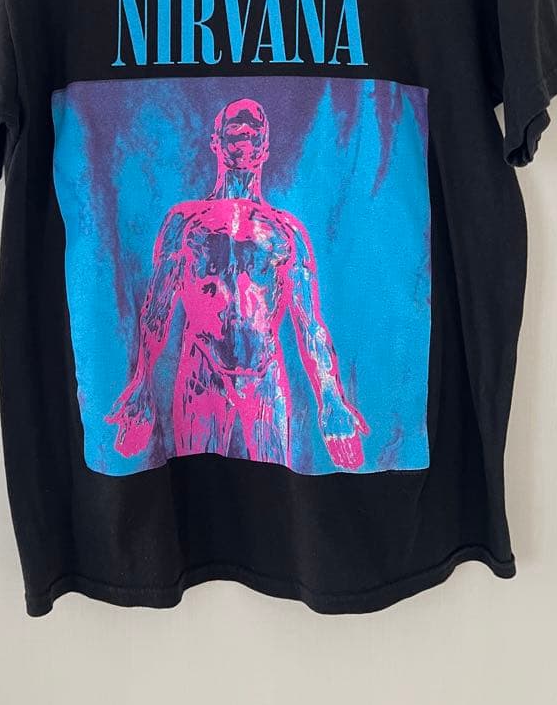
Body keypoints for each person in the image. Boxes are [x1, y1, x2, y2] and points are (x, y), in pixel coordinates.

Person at [106, 98, 368, 471]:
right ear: (217, 141)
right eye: (235, 132)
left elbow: (310, 324)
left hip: (264, 374)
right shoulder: (184, 222)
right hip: (202, 371)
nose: (244, 142)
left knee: (275, 485)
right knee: (195, 484)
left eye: (252, 134)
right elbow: (157, 311)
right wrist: (141, 383)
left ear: (265, 146)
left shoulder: (286, 232)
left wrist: (331, 398)